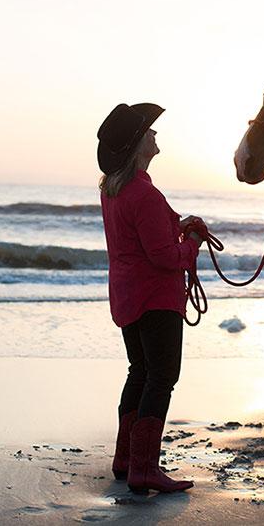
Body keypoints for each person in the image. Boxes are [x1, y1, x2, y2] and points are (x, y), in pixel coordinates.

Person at [96, 103, 203, 493]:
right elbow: (164, 257)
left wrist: (179, 224)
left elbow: (148, 232)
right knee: (161, 376)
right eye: (150, 131)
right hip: (156, 299)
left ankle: (126, 461)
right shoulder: (144, 193)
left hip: (127, 296)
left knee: (139, 371)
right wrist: (191, 243)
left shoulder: (116, 190)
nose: (156, 135)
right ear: (140, 143)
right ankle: (144, 469)